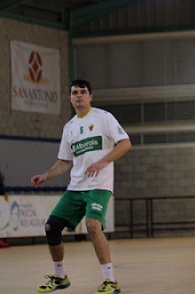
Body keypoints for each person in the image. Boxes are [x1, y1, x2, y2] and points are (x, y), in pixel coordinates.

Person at [31, 79, 132, 294]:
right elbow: (65, 162)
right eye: (75, 92)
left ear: (90, 96)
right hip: (76, 187)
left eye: (83, 92)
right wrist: (46, 175)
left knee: (93, 226)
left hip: (99, 186)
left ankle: (110, 280)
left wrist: (103, 161)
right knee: (51, 227)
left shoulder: (103, 118)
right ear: (70, 98)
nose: (79, 95)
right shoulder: (69, 127)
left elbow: (125, 143)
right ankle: (60, 278)